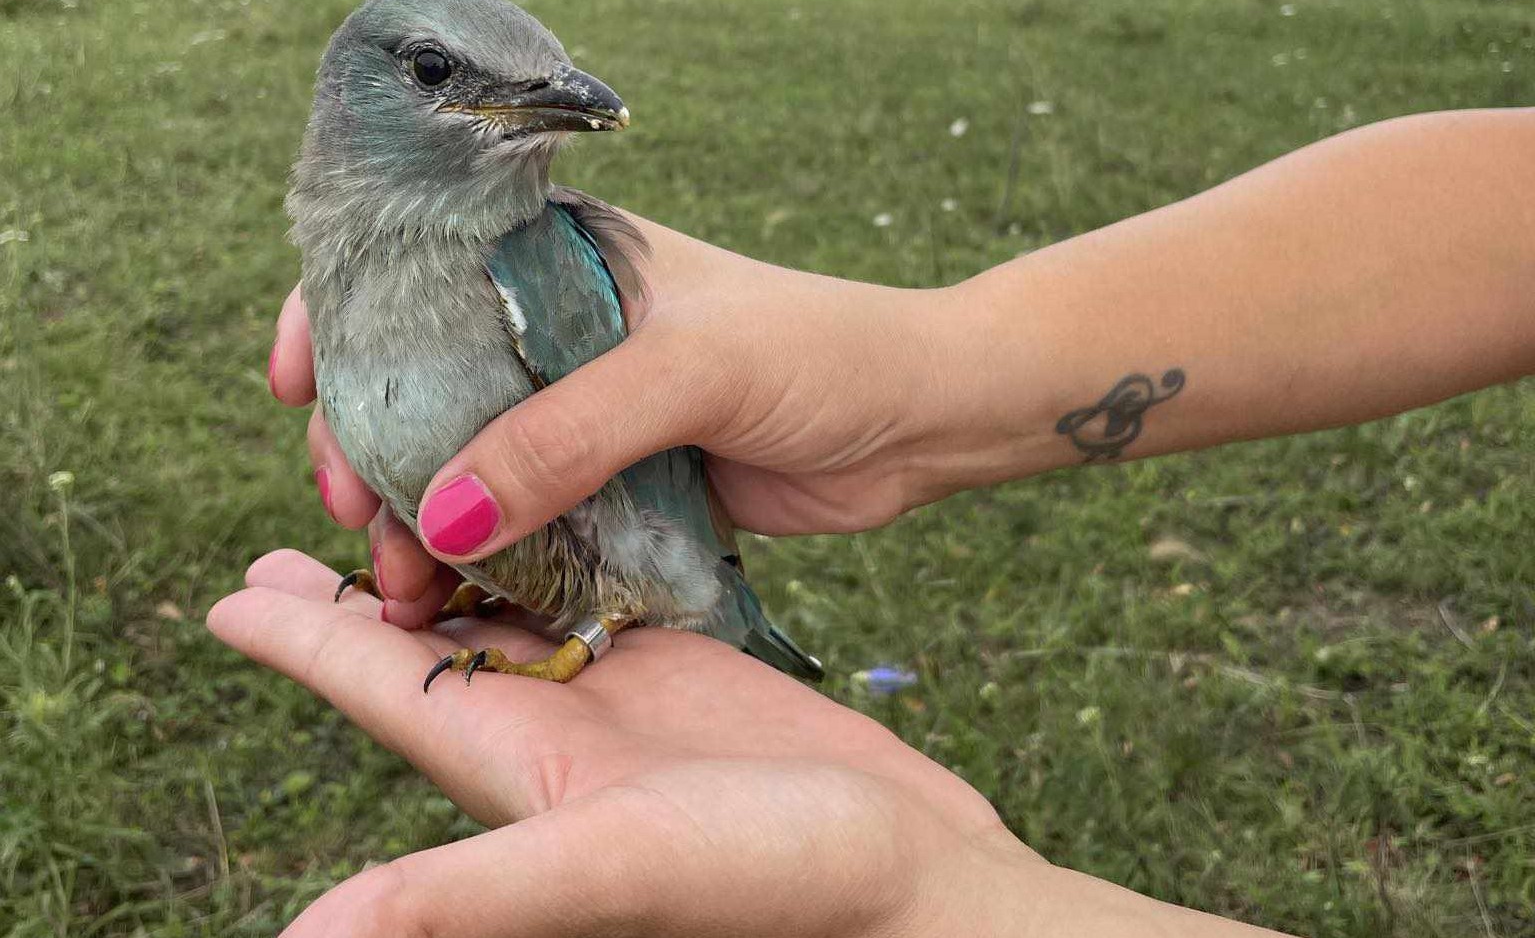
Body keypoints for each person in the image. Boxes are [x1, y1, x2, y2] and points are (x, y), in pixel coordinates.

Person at [212, 108, 1534, 935]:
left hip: (647, 582)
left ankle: (585, 634)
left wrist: (937, 900)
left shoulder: (530, 269)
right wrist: (922, 378)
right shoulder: (370, 257)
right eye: (453, 82)